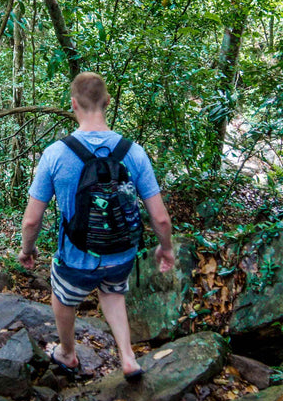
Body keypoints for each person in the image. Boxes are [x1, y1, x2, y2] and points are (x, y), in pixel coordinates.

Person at [18, 71, 175, 381]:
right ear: (107, 102)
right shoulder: (134, 152)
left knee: (63, 297)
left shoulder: (55, 154)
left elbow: (32, 219)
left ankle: (68, 353)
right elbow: (160, 218)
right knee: (113, 294)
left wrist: (27, 250)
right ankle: (128, 357)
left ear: (73, 104)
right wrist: (166, 248)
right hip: (121, 255)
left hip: (75, 258)